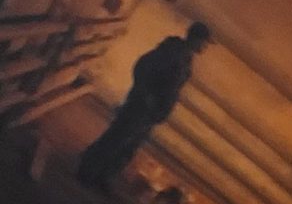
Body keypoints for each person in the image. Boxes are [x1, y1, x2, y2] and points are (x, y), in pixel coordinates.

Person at [76, 20, 210, 191]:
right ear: (196, 39)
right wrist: (145, 95)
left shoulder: (185, 58)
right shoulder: (172, 51)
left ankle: (103, 176)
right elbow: (143, 66)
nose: (205, 47)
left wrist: (160, 109)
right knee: (116, 138)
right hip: (141, 107)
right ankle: (87, 171)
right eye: (204, 43)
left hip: (150, 112)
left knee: (129, 146)